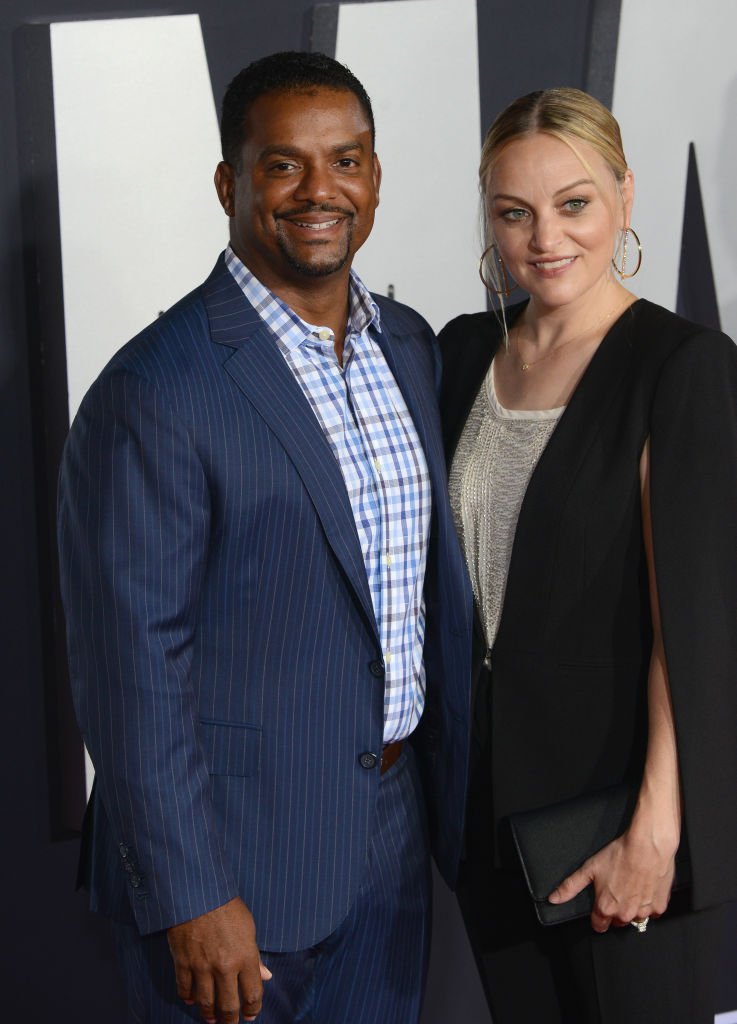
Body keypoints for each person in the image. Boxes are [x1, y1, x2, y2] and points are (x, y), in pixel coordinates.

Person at [58, 51, 472, 1024]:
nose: (319, 189)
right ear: (228, 183)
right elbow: (131, 671)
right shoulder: (156, 392)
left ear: (374, 175)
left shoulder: (406, 346)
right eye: (283, 164)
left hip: (387, 844)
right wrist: (191, 892)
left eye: (346, 159)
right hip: (232, 870)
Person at [439, 87, 737, 1023]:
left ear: (624, 197)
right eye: (513, 212)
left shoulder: (679, 365)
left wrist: (655, 830)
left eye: (573, 204)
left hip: (616, 822)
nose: (544, 238)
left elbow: (686, 621)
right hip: (487, 821)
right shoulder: (458, 356)